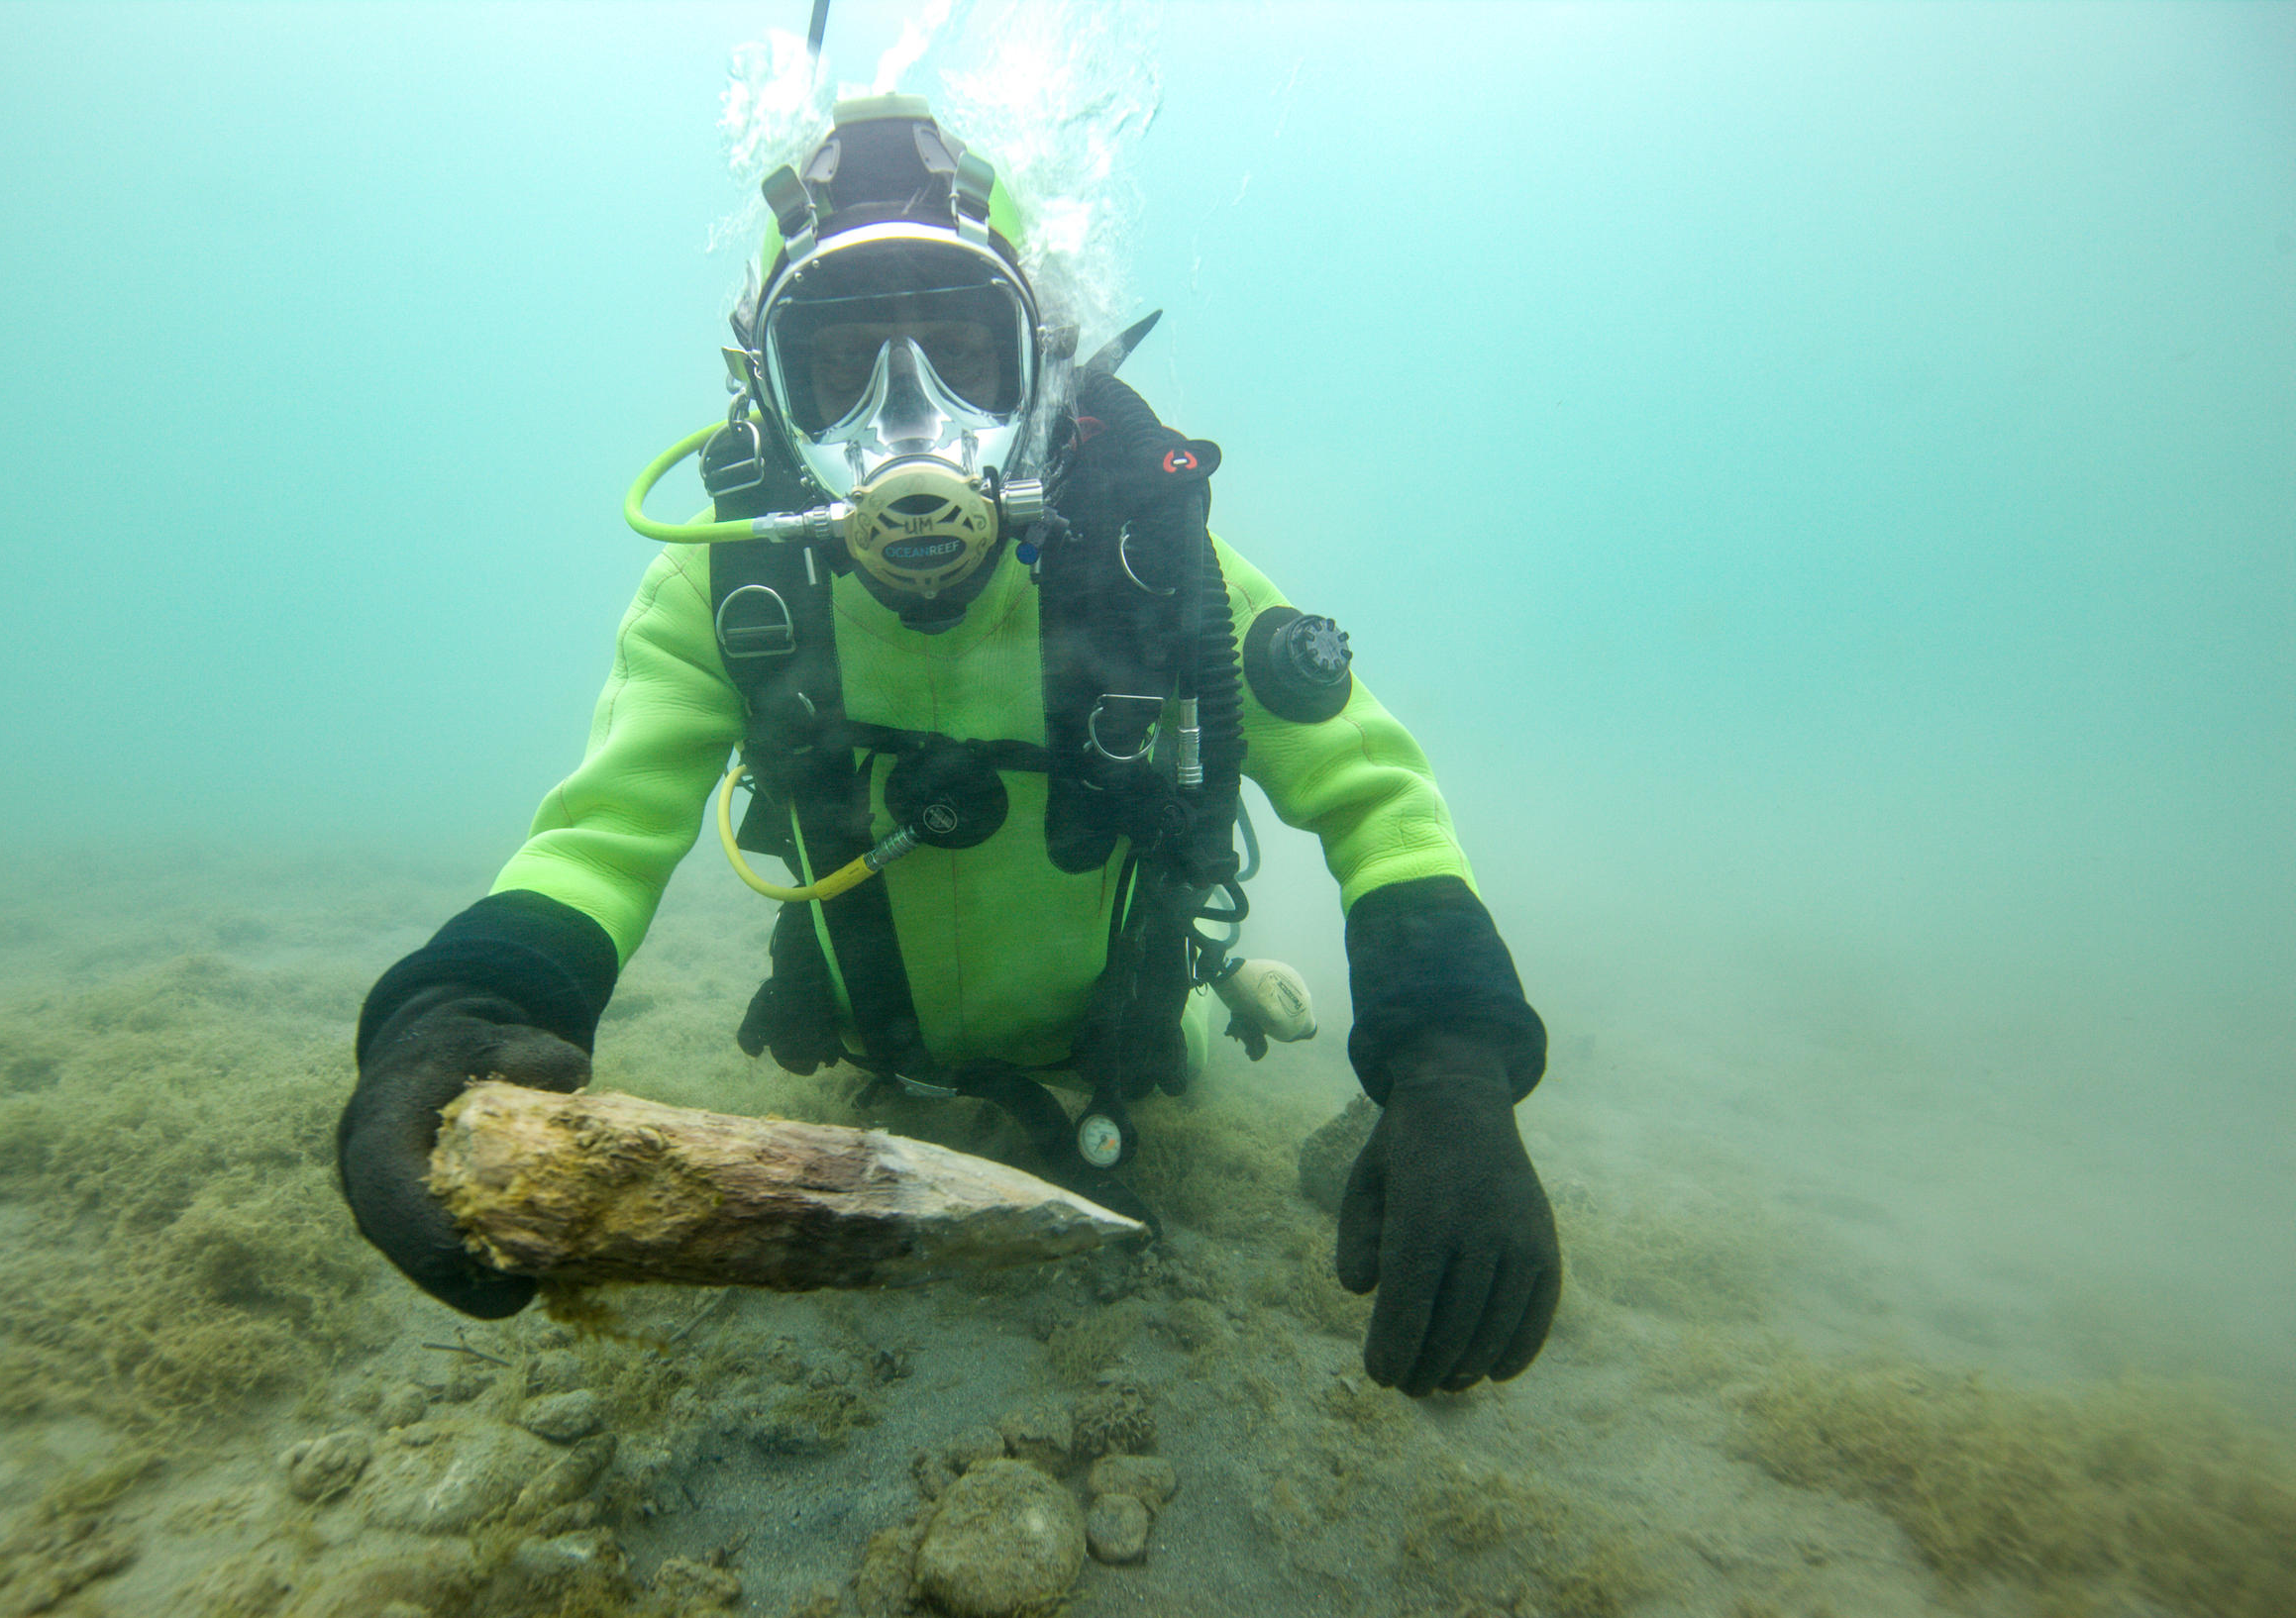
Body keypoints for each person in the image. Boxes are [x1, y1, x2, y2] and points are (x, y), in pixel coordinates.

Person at [337, 96, 1560, 1398]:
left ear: (1043, 362)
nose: (906, 421)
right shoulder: (736, 595)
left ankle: (1227, 989)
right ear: (768, 390)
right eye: (842, 365)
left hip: (1124, 1053)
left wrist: (1452, 1056)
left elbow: (1374, 792)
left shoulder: (1160, 567)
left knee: (1197, 1030)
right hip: (883, 1058)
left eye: (959, 354)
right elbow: (601, 832)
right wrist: (462, 1008)